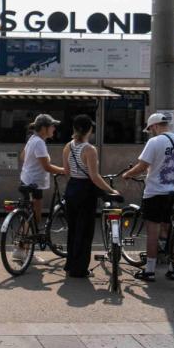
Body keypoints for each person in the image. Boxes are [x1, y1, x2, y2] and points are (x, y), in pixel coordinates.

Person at [122, 112, 174, 282]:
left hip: (154, 193)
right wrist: (172, 177)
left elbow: (143, 165)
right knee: (169, 229)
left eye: (150, 129)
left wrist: (127, 174)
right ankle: (172, 269)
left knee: (152, 232)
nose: (151, 132)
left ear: (154, 126)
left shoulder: (154, 142)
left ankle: (150, 271)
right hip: (173, 192)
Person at [62, 114, 118, 279]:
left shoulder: (68, 146)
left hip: (71, 189)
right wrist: (111, 191)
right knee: (85, 231)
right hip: (85, 191)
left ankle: (70, 264)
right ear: (90, 130)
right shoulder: (89, 149)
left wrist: (74, 184)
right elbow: (94, 177)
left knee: (73, 230)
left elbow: (66, 172)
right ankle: (80, 269)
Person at [16, 114, 65, 261]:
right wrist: (64, 170)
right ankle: (22, 249)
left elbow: (23, 157)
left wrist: (32, 165)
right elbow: (47, 166)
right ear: (44, 128)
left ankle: (21, 248)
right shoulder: (39, 143)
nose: (54, 129)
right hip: (34, 184)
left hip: (26, 180)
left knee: (28, 216)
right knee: (34, 218)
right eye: (52, 126)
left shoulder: (33, 139)